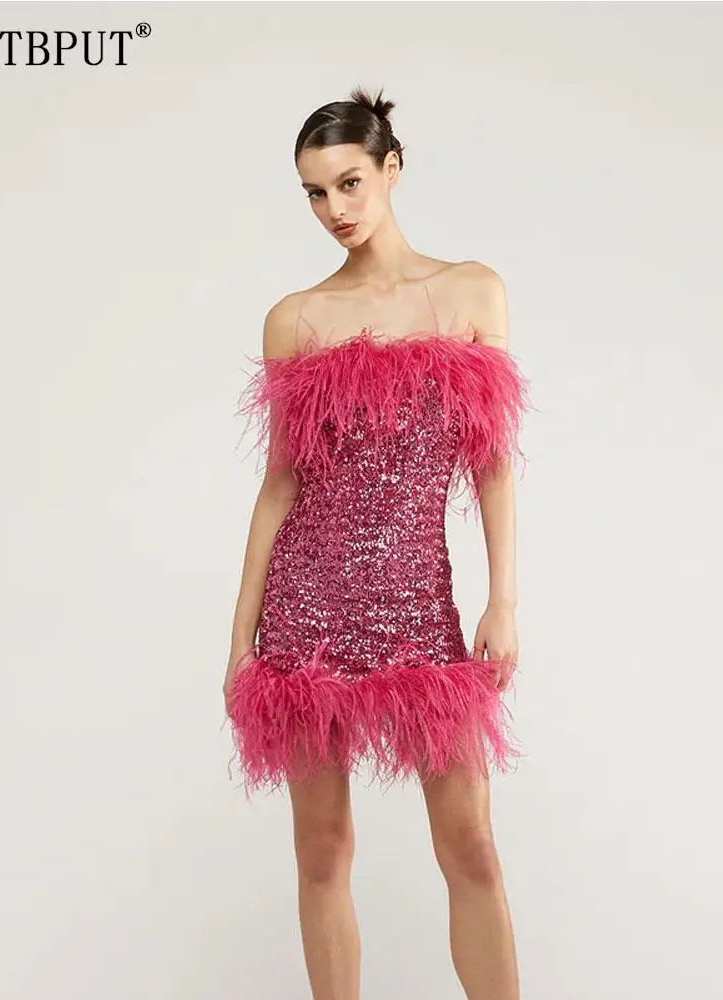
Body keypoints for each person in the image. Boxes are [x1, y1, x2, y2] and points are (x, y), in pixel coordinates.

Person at [223, 86, 531, 1000]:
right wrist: (239, 642)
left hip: (419, 606)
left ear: (392, 168)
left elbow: (493, 464)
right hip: (307, 608)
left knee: (471, 846)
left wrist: (503, 599)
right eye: (315, 194)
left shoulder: (471, 291)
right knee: (322, 851)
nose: (335, 209)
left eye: (350, 183)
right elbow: (279, 486)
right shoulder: (297, 318)